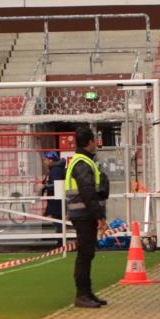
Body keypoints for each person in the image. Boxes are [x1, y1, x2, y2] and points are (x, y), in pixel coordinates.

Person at [65, 126, 110, 309]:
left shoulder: (81, 160)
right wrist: (99, 216)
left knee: (87, 253)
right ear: (90, 142)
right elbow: (88, 192)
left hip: (83, 213)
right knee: (85, 254)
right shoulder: (82, 163)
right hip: (83, 214)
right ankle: (82, 294)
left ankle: (87, 292)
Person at [40, 151, 67, 231]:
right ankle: (61, 241)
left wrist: (44, 186)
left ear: (51, 160)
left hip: (57, 204)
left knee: (59, 225)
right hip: (56, 203)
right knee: (59, 224)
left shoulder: (55, 170)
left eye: (45, 159)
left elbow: (56, 186)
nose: (44, 162)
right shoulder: (55, 169)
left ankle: (61, 242)